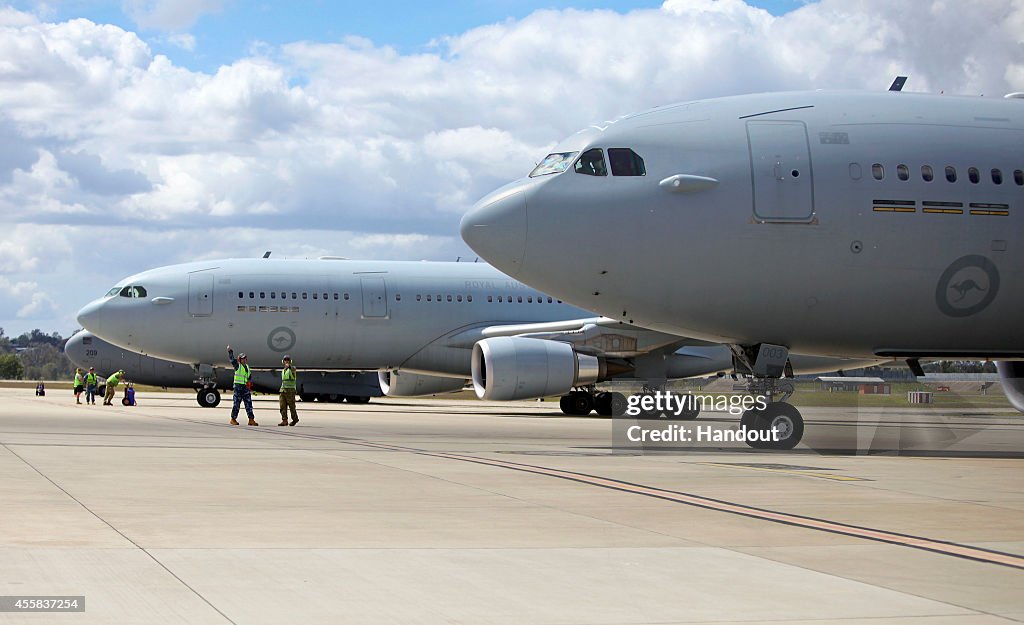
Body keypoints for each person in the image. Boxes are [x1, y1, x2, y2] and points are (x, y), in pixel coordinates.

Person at [227, 346, 257, 426]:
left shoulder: (247, 367)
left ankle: (251, 420)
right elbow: (232, 360)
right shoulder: (238, 366)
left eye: (245, 358)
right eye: (242, 359)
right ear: (240, 360)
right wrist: (230, 352)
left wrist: (250, 385)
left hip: (245, 387)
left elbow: (249, 377)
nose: (244, 360)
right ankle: (233, 419)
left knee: (249, 404)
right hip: (238, 387)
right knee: (236, 404)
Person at [278, 355, 298, 426]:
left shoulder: (292, 369)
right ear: (283, 362)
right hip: (283, 390)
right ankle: (284, 420)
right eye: (285, 360)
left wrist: (289, 366)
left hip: (290, 391)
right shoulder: (283, 370)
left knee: (292, 406)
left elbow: (293, 369)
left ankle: (295, 419)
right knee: (282, 406)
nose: (286, 361)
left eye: (288, 360)